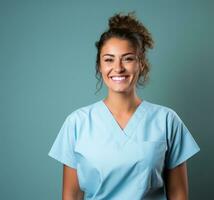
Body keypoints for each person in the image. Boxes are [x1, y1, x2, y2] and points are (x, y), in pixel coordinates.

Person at [48, 11, 200, 200]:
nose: (118, 67)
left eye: (127, 58)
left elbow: (178, 194)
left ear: (141, 64)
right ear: (99, 66)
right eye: (109, 59)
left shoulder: (167, 121)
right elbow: (71, 194)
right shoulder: (77, 123)